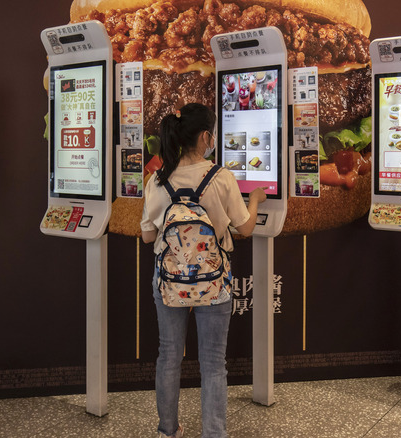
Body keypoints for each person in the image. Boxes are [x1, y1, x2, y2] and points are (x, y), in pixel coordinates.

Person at [141, 103, 266, 438]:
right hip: (214, 281)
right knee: (213, 362)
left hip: (168, 280)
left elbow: (147, 235)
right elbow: (246, 228)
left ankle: (168, 430)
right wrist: (255, 198)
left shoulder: (157, 179)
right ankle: (214, 433)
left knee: (168, 355)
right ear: (205, 136)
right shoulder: (220, 177)